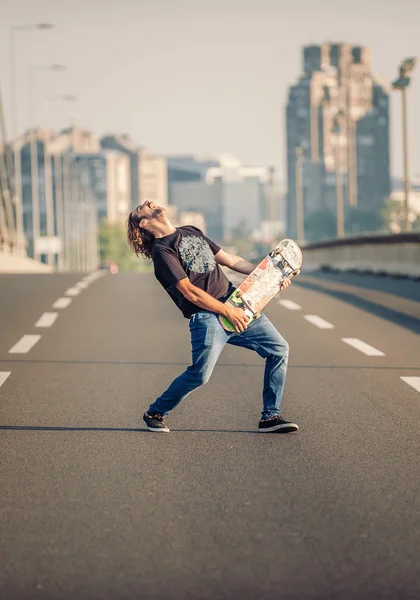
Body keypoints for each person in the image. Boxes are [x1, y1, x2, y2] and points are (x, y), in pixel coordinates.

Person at [127, 200, 299, 434]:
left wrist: (270, 275)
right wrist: (227, 311)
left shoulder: (190, 231)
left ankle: (270, 416)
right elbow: (189, 292)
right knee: (200, 375)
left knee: (279, 349)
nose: (147, 202)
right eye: (141, 208)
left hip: (238, 303)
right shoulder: (162, 252)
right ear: (144, 223)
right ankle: (155, 412)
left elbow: (228, 259)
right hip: (207, 317)